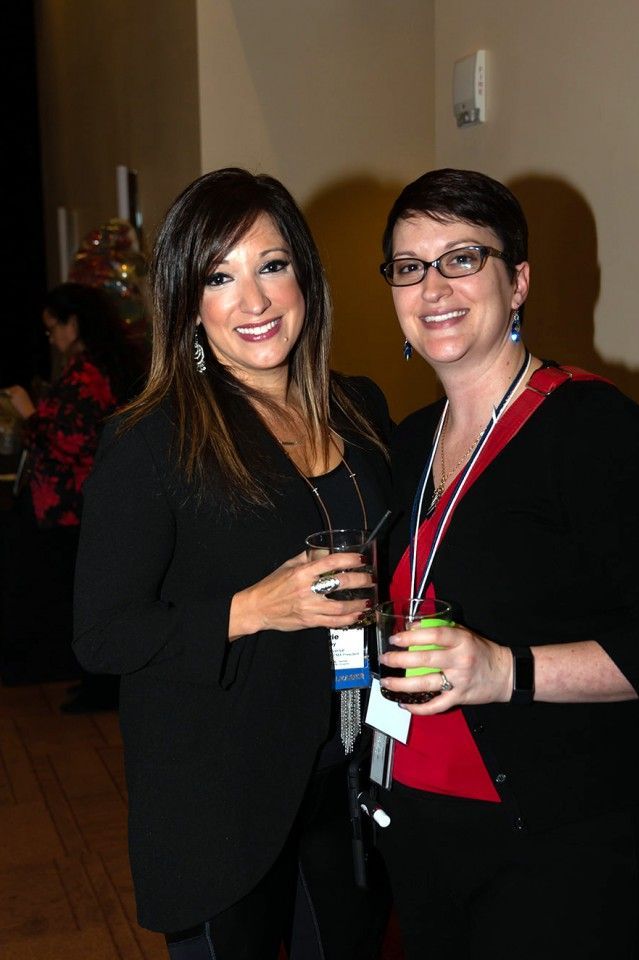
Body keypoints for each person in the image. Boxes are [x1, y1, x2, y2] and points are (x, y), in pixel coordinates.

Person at [373, 168, 639, 959]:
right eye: (409, 266)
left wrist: (505, 671)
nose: (432, 287)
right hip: (417, 828)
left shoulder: (594, 429)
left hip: (561, 844)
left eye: (462, 258)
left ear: (517, 282)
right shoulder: (407, 441)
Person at [72, 168, 392, 959]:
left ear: (304, 276)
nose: (254, 301)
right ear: (187, 302)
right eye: (220, 277)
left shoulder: (359, 409)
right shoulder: (152, 442)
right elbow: (102, 634)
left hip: (351, 768)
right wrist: (255, 609)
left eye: (271, 265)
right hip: (222, 795)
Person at [0, 282, 142, 699]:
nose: (51, 338)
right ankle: (89, 681)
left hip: (74, 506)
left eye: (53, 328)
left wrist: (29, 413)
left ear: (74, 324)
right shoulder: (92, 367)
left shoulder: (88, 373)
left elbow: (71, 442)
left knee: (75, 597)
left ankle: (97, 685)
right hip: (73, 504)